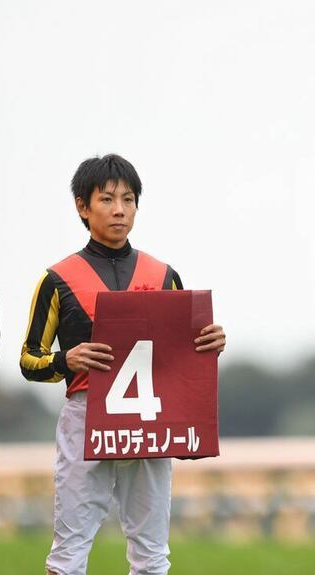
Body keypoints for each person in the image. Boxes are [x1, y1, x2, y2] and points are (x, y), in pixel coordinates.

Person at [20, 154, 226, 575]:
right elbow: (28, 359)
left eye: (128, 200)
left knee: (152, 552)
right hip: (86, 413)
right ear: (82, 206)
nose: (119, 209)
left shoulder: (165, 274)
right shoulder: (56, 279)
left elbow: (180, 356)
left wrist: (210, 344)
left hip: (150, 418)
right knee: (69, 550)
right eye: (107, 199)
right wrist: (66, 359)